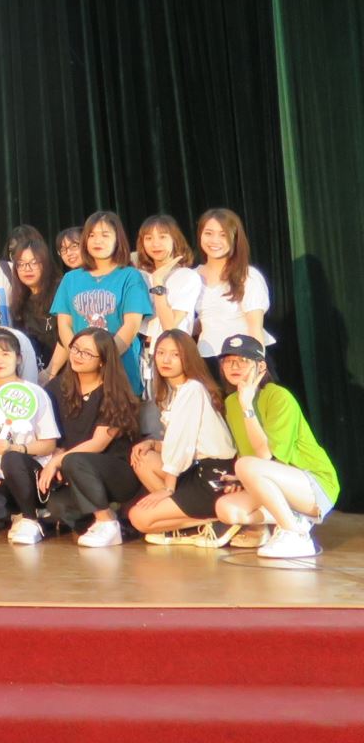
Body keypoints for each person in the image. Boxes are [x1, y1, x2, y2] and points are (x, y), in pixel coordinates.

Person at [214, 335, 339, 559]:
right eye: (228, 361)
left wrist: (247, 407)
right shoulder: (231, 403)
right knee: (226, 509)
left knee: (246, 465)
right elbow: (249, 455)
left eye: (243, 360)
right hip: (272, 479)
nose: (234, 366)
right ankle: (292, 519)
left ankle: (296, 535)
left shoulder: (278, 396)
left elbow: (264, 455)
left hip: (312, 484)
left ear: (261, 367)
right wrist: (240, 478)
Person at [127, 329, 240, 547]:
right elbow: (183, 442)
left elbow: (182, 444)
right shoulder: (174, 391)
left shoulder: (192, 389)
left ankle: (218, 521)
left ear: (187, 358)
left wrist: (168, 488)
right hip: (195, 469)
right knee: (143, 458)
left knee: (138, 517)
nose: (166, 360)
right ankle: (191, 525)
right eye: (161, 353)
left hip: (213, 475)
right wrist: (152, 444)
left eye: (175, 354)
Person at [36, 327, 143, 548]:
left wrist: (58, 460)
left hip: (115, 471)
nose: (77, 355)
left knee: (74, 460)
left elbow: (98, 443)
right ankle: (99, 520)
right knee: (57, 506)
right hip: (75, 470)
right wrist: (56, 452)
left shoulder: (115, 393)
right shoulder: (57, 387)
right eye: (75, 349)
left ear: (103, 361)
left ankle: (107, 522)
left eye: (87, 353)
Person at [0, 329, 60, 544]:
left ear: (18, 358)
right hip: (0, 475)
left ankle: (31, 520)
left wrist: (16, 449)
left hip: (31, 471)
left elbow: (49, 444)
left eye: (5, 354)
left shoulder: (35, 393)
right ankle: (17, 514)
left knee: (11, 458)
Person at [51, 211, 151, 391]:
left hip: (120, 370)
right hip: (81, 375)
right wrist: (80, 357)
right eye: (91, 235)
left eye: (105, 235)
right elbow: (64, 325)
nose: (98, 241)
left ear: (117, 239)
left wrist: (103, 359)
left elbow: (131, 325)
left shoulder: (130, 276)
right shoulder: (70, 279)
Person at [135, 214, 202, 389]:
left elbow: (170, 327)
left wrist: (158, 284)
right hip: (141, 354)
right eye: (148, 238)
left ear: (175, 239)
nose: (155, 244)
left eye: (163, 237)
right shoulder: (139, 276)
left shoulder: (187, 276)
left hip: (172, 355)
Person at [194, 208, 272, 358]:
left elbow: (255, 328)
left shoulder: (248, 276)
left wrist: (255, 363)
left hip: (241, 357)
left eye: (223, 235)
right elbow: (208, 317)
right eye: (208, 233)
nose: (214, 240)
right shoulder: (192, 276)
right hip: (206, 356)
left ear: (235, 238)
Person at [8, 234, 60, 372]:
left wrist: (50, 373)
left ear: (46, 264)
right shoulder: (19, 304)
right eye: (21, 264)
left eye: (34, 262)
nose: (27, 268)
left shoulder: (60, 290)